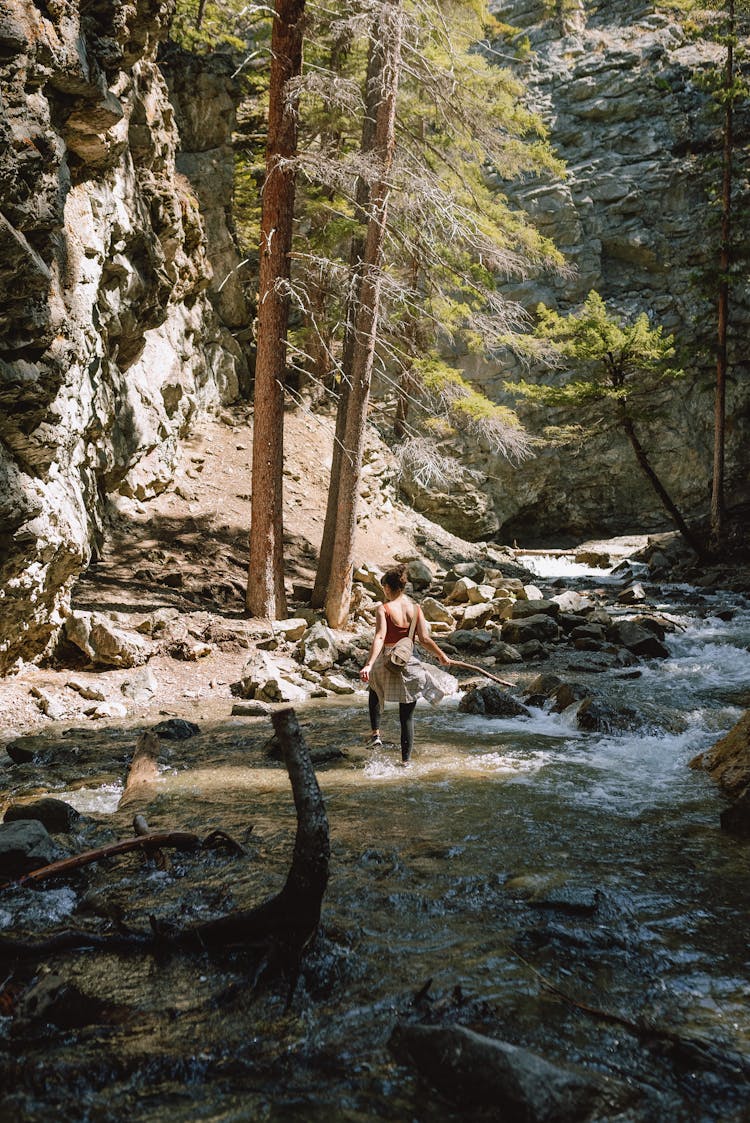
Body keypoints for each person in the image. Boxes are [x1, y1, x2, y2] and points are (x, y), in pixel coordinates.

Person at [360, 565, 456, 764]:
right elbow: (425, 639)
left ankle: (375, 734)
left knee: (374, 688)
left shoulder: (383, 609)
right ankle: (405, 761)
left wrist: (369, 664)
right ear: (402, 587)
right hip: (408, 664)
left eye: (384, 587)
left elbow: (380, 637)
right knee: (407, 718)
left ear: (387, 587)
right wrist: (441, 655)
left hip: (386, 661)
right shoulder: (416, 609)